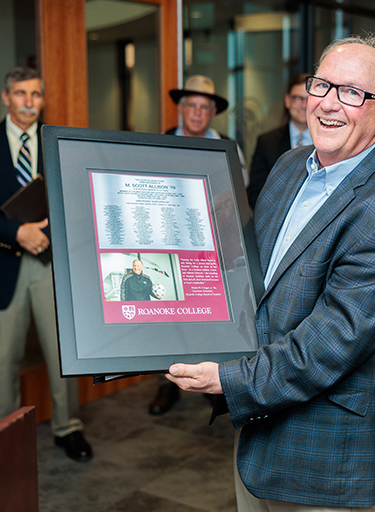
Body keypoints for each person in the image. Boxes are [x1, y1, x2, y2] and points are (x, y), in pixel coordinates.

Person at [166, 35, 375, 510]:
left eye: (352, 92)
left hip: (323, 456)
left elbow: (325, 348)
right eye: (322, 85)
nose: (328, 104)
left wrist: (228, 378)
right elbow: (252, 276)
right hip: (258, 434)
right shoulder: (288, 168)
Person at [0, 67, 91, 462]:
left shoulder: (57, 139)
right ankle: (6, 437)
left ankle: (68, 427)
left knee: (61, 352)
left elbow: (73, 195)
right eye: (21, 93)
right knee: (4, 358)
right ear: (6, 97)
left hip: (51, 262)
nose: (29, 102)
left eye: (36, 94)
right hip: (2, 262)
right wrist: (18, 232)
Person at [149, 74, 239, 415]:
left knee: (208, 314)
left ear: (213, 111)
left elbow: (237, 192)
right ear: (180, 108)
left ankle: (211, 384)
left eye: (204, 107)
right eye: (191, 106)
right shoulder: (158, 143)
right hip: (167, 246)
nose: (197, 113)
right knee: (166, 318)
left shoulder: (228, 145)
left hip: (212, 249)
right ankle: (164, 384)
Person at [246, 73, 312, 209]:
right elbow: (254, 193)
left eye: (309, 99)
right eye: (298, 99)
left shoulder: (328, 143)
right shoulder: (266, 142)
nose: (304, 105)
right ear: (287, 101)